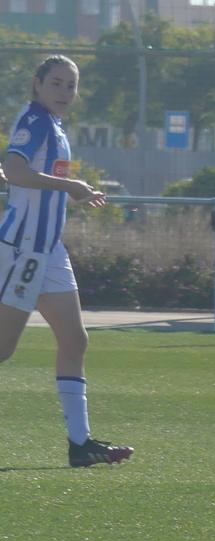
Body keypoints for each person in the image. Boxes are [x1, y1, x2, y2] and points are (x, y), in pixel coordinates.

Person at [0, 55, 132, 467]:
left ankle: (80, 445)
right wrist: (71, 185)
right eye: (56, 83)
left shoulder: (54, 126)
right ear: (37, 84)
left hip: (49, 251)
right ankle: (80, 443)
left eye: (71, 86)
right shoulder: (36, 121)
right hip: (24, 250)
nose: (64, 92)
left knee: (75, 341)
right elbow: (13, 170)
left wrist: (70, 189)